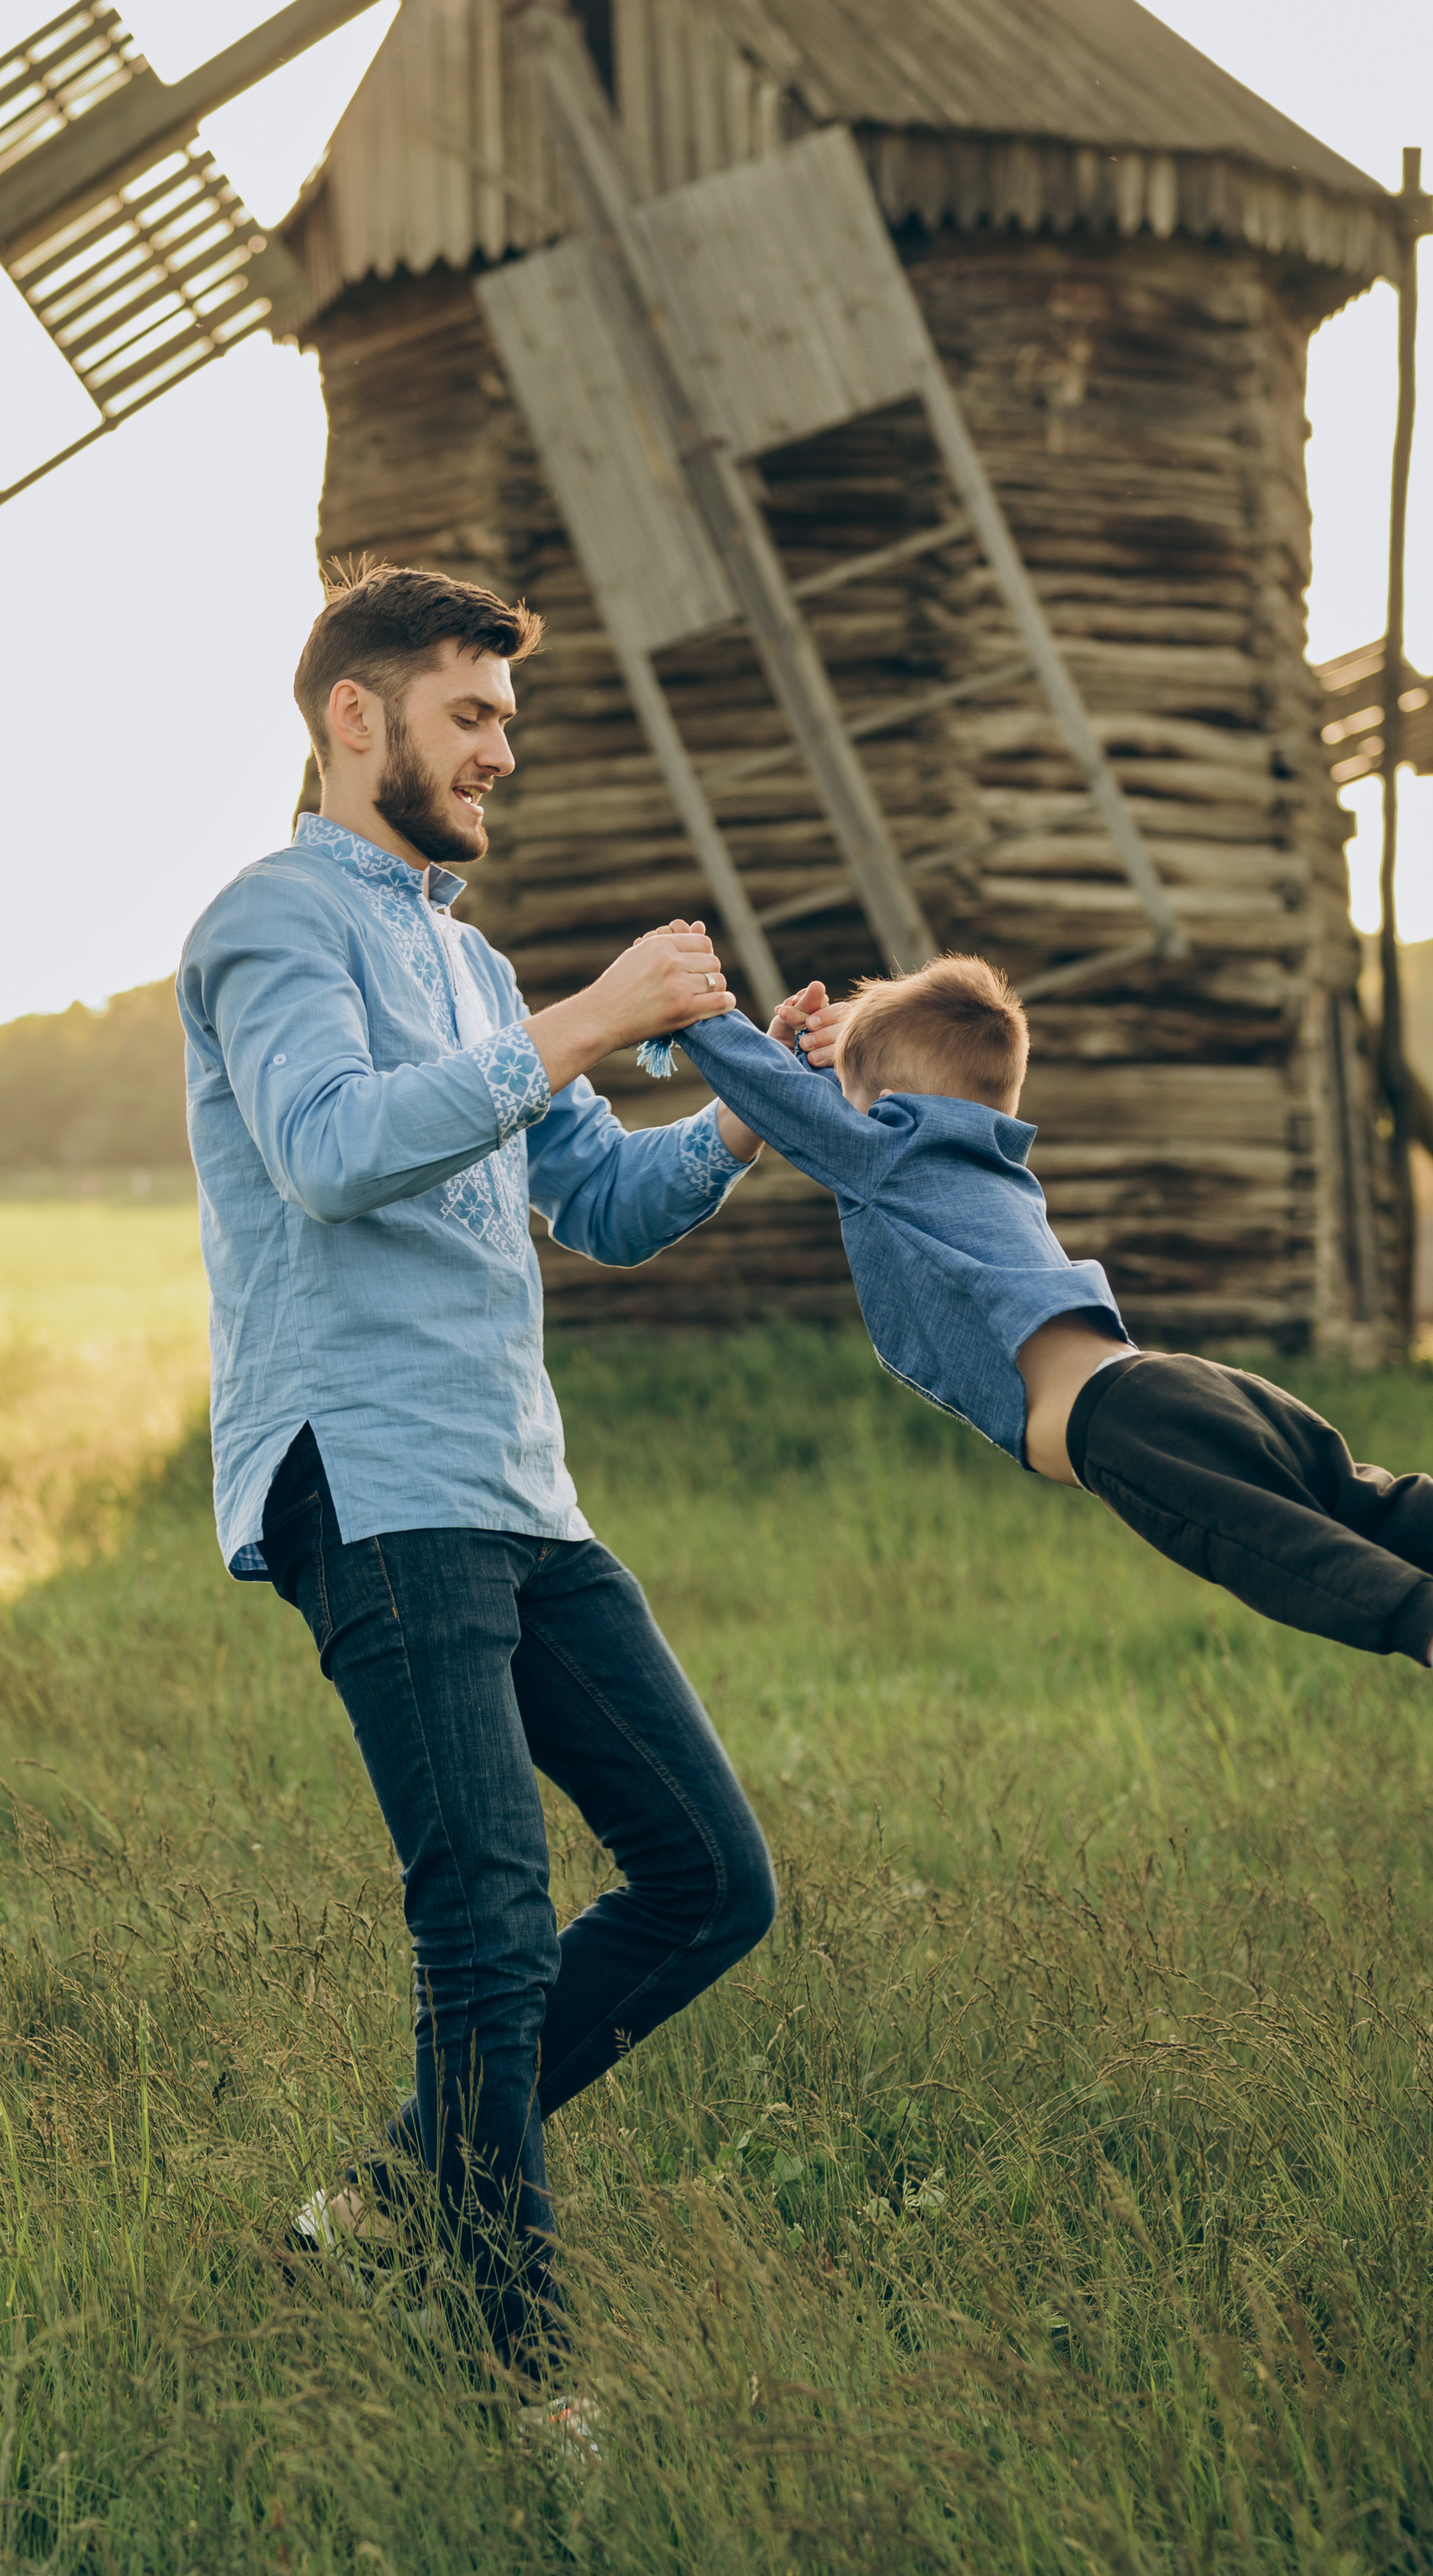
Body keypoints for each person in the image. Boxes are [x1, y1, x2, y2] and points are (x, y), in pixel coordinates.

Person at [177, 562, 797, 2419]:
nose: (500, 754)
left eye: (507, 722)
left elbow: (599, 1203)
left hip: (517, 1488)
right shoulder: (269, 924)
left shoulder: (473, 964)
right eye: (471, 716)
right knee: (491, 1931)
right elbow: (331, 1153)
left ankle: (384, 2195)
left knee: (709, 1880)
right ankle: (523, 2392)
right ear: (352, 719)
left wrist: (749, 1120)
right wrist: (598, 1016)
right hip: (362, 1473)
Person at [641, 948, 1433, 1807]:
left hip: (1116, 1424)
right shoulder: (984, 1155)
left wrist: (689, 1010)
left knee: (1271, 1550)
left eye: (853, 1099)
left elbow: (787, 1103)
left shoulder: (889, 1149)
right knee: (1358, 1504)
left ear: (884, 1110)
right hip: (1178, 1381)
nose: (838, 1113)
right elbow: (824, 1100)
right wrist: (842, 1063)